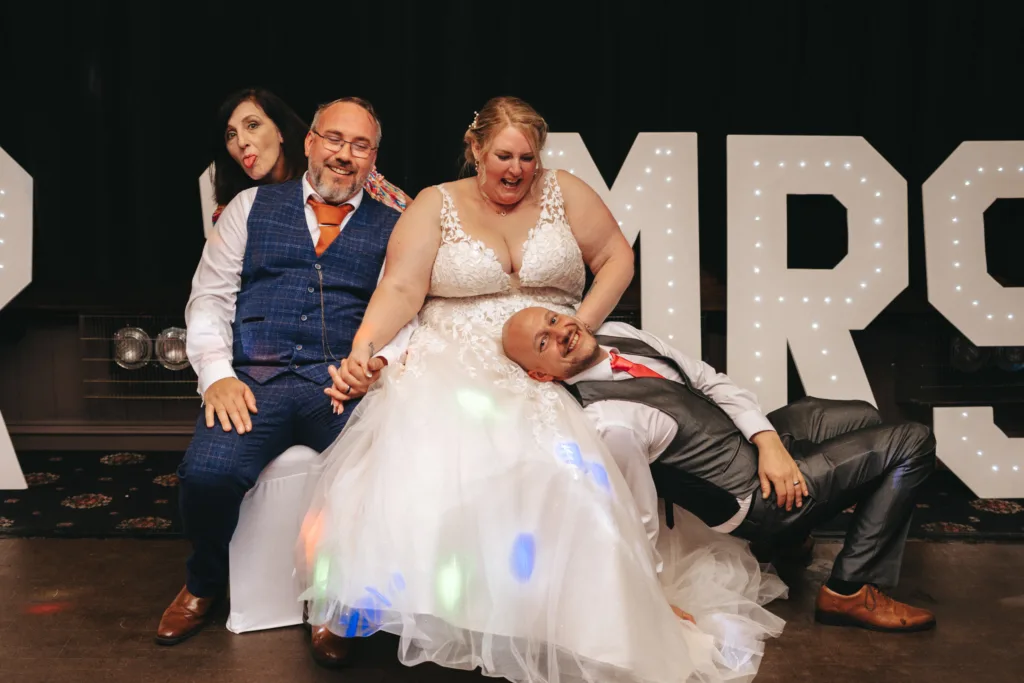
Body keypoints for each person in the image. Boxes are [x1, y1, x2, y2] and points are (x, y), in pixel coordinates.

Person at [296, 96, 786, 683]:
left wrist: (583, 322)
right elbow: (402, 289)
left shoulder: (564, 191)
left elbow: (615, 258)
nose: (515, 169)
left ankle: (576, 617)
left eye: (527, 158)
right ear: (475, 149)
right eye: (503, 155)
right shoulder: (435, 204)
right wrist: (364, 348)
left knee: (567, 470)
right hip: (453, 354)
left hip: (545, 358)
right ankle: (427, 604)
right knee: (436, 456)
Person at [502, 307, 938, 633]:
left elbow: (708, 379)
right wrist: (650, 597)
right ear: (542, 376)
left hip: (748, 442)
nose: (562, 332)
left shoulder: (617, 333)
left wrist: (767, 440)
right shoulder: (612, 421)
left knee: (863, 415)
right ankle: (848, 590)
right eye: (544, 342)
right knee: (911, 441)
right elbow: (637, 516)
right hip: (752, 497)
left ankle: (789, 543)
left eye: (554, 320)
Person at [157, 97, 410, 656]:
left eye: (360, 145)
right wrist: (217, 376)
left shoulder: (397, 227)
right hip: (256, 381)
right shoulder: (249, 207)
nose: (345, 155)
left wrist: (375, 366)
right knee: (207, 474)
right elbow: (209, 300)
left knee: (381, 473)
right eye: (335, 140)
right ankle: (203, 582)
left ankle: (336, 600)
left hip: (340, 387)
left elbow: (410, 316)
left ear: (374, 158)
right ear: (311, 142)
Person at [210, 87, 411, 224]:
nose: (241, 141)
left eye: (252, 125)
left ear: (280, 130)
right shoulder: (232, 213)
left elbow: (416, 215)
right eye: (231, 134)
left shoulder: (340, 172)